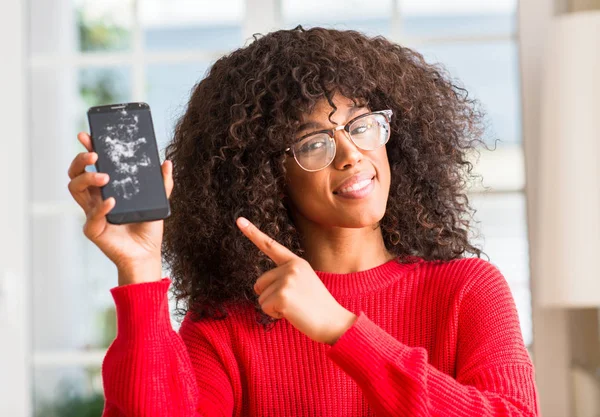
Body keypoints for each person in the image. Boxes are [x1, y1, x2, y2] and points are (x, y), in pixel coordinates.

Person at [67, 26, 540, 416]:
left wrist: (341, 329)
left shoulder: (467, 290)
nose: (352, 155)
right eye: (314, 143)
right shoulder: (229, 322)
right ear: (266, 177)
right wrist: (140, 268)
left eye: (361, 125)